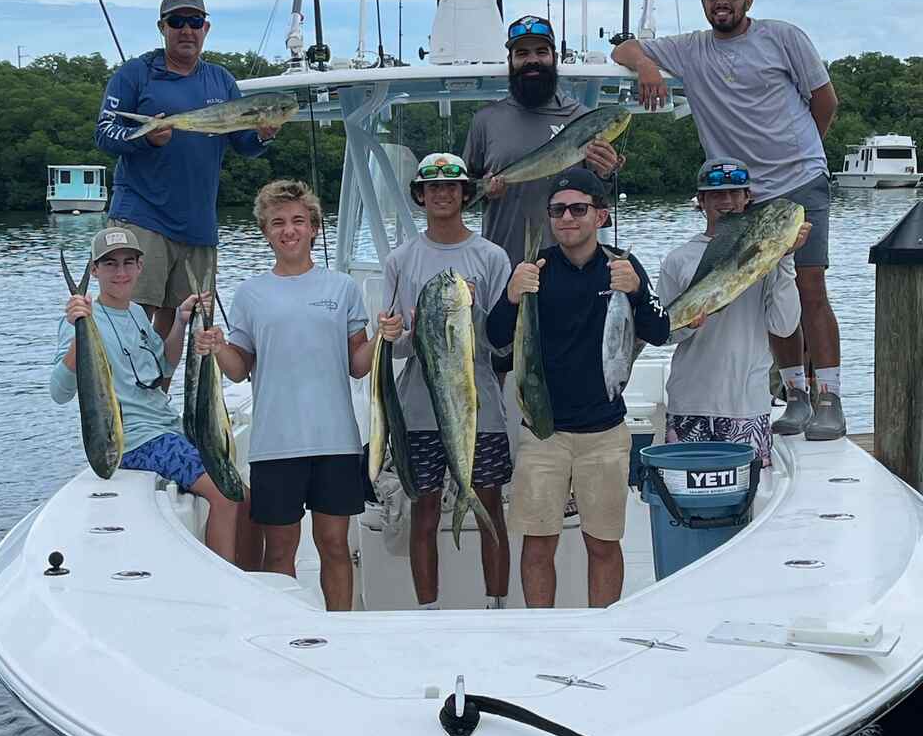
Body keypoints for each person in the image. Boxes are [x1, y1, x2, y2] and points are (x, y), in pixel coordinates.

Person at [612, 0, 843, 441]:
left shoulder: (783, 37)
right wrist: (649, 66)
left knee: (809, 286)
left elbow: (826, 100)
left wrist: (804, 151)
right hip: (741, 193)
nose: (723, 2)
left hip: (799, 179)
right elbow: (624, 47)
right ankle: (796, 394)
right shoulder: (691, 48)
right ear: (703, 3)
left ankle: (831, 397)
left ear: (748, 1)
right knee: (760, 287)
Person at [195, 180, 401, 613]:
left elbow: (358, 364)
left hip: (336, 442)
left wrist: (383, 336)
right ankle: (290, 631)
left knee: (334, 546)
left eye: (297, 221)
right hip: (275, 444)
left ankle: (340, 629)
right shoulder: (251, 293)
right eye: (277, 223)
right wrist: (216, 348)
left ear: (314, 228)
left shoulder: (342, 288)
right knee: (279, 550)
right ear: (265, 232)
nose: (288, 230)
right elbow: (238, 368)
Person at [486, 170, 670, 608]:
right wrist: (511, 296)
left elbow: (660, 330)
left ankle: (601, 625)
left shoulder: (622, 264)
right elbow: (496, 338)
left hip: (605, 432)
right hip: (543, 431)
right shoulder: (535, 268)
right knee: (537, 543)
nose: (567, 217)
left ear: (600, 215)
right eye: (558, 210)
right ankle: (540, 628)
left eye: (578, 209)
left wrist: (639, 291)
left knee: (603, 543)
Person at [95, 0, 281, 343]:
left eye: (194, 21)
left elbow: (244, 144)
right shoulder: (135, 74)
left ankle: (155, 397)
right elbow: (104, 134)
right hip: (142, 214)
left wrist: (264, 134)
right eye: (177, 21)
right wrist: (148, 138)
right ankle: (119, 397)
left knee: (180, 322)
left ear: (206, 28)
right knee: (129, 317)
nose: (187, 30)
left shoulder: (222, 80)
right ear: (162, 27)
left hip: (197, 224)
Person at [50, 226, 244, 564]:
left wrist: (182, 322)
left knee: (242, 489)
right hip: (135, 440)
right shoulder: (81, 319)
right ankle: (225, 587)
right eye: (109, 264)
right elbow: (59, 392)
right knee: (225, 495)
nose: (121, 272)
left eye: (128, 262)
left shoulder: (138, 313)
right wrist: (79, 336)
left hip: (168, 426)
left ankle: (245, 573)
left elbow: (163, 369)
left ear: (141, 266)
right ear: (94, 270)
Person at [382, 153, 512, 611]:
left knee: (491, 503)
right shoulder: (401, 259)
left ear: (464, 194)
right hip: (418, 409)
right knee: (425, 508)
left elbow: (502, 343)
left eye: (452, 186)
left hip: (482, 410)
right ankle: (428, 613)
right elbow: (396, 348)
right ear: (420, 195)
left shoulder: (491, 256)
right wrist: (397, 333)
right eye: (432, 186)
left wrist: (472, 312)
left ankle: (496, 606)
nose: (442, 193)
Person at [658, 159, 810, 467]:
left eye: (734, 193)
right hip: (690, 401)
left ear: (747, 198)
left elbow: (784, 325)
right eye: (715, 194)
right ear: (701, 201)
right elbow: (662, 334)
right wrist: (689, 326)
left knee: (747, 499)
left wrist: (785, 258)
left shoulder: (766, 256)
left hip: (747, 405)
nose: (726, 201)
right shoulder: (678, 260)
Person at [463, 14, 622, 270]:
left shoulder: (581, 118)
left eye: (541, 51)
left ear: (554, 58)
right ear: (511, 62)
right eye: (522, 53)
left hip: (572, 269)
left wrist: (606, 173)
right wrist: (485, 192)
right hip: (502, 266)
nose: (533, 60)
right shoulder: (485, 120)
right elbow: (465, 191)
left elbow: (600, 202)